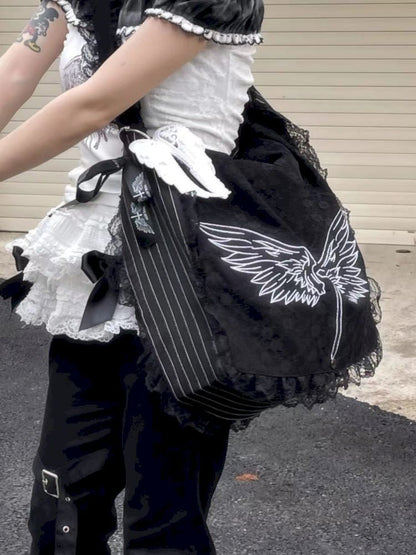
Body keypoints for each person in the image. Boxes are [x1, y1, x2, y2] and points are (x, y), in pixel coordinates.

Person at [0, 1, 381, 554]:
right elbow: (15, 70)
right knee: (62, 500)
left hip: (184, 272)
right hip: (90, 264)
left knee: (163, 516)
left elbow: (94, 103)